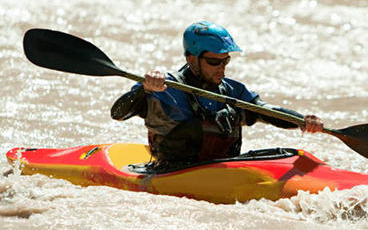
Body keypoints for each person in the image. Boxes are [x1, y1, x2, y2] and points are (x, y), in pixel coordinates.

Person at [111, 21, 323, 167]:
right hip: (170, 172)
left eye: (225, 61)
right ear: (192, 60)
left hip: (222, 170)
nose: (221, 68)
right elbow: (118, 113)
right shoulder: (166, 88)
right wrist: (145, 89)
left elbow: (266, 112)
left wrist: (301, 120)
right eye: (214, 62)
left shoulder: (233, 91)